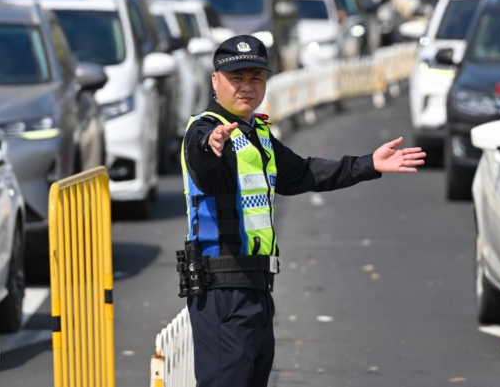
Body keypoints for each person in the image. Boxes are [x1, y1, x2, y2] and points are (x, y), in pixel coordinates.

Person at [181, 35, 426, 387]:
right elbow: (203, 162)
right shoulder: (205, 130)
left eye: (255, 78)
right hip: (222, 289)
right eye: (237, 78)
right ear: (215, 80)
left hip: (256, 288)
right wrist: (211, 145)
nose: (246, 87)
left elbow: (305, 173)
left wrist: (368, 163)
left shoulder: (257, 134)